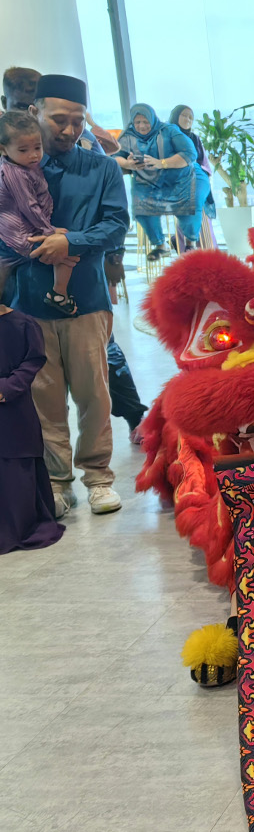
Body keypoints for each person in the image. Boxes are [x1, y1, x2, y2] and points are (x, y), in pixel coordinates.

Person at [4, 74, 129, 515]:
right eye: (59, 119)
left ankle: (98, 478)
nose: (70, 129)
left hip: (87, 300)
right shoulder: (10, 172)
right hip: (28, 303)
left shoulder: (102, 168)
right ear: (34, 112)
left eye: (78, 121)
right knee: (44, 399)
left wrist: (69, 241)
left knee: (94, 395)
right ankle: (57, 483)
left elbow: (116, 225)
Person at [0, 303, 64, 552]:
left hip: (14, 408)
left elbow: (33, 360)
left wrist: (7, 388)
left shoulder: (24, 324)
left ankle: (21, 521)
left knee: (16, 462)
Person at [0, 112, 74, 315]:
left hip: (17, 233)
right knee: (67, 250)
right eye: (23, 150)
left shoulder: (23, 165)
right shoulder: (15, 173)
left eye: (37, 147)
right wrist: (49, 230)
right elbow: (29, 206)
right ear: (3, 149)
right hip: (21, 235)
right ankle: (59, 295)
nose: (33, 155)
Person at [116, 103, 212, 259]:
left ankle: (190, 244)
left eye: (145, 121)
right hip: (156, 180)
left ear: (153, 119)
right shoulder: (128, 135)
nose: (142, 126)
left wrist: (161, 163)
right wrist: (127, 164)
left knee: (191, 200)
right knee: (141, 206)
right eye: (138, 122)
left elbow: (190, 154)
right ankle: (161, 245)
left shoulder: (168, 130)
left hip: (188, 174)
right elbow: (115, 157)